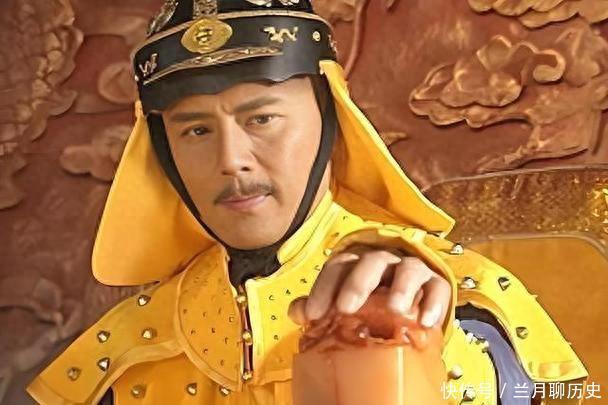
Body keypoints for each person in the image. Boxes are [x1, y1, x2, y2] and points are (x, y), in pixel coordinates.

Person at [26, 1, 588, 404]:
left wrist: (421, 344)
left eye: (261, 119)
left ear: (332, 122)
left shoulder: (457, 302)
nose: (231, 160)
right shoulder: (128, 347)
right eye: (195, 131)